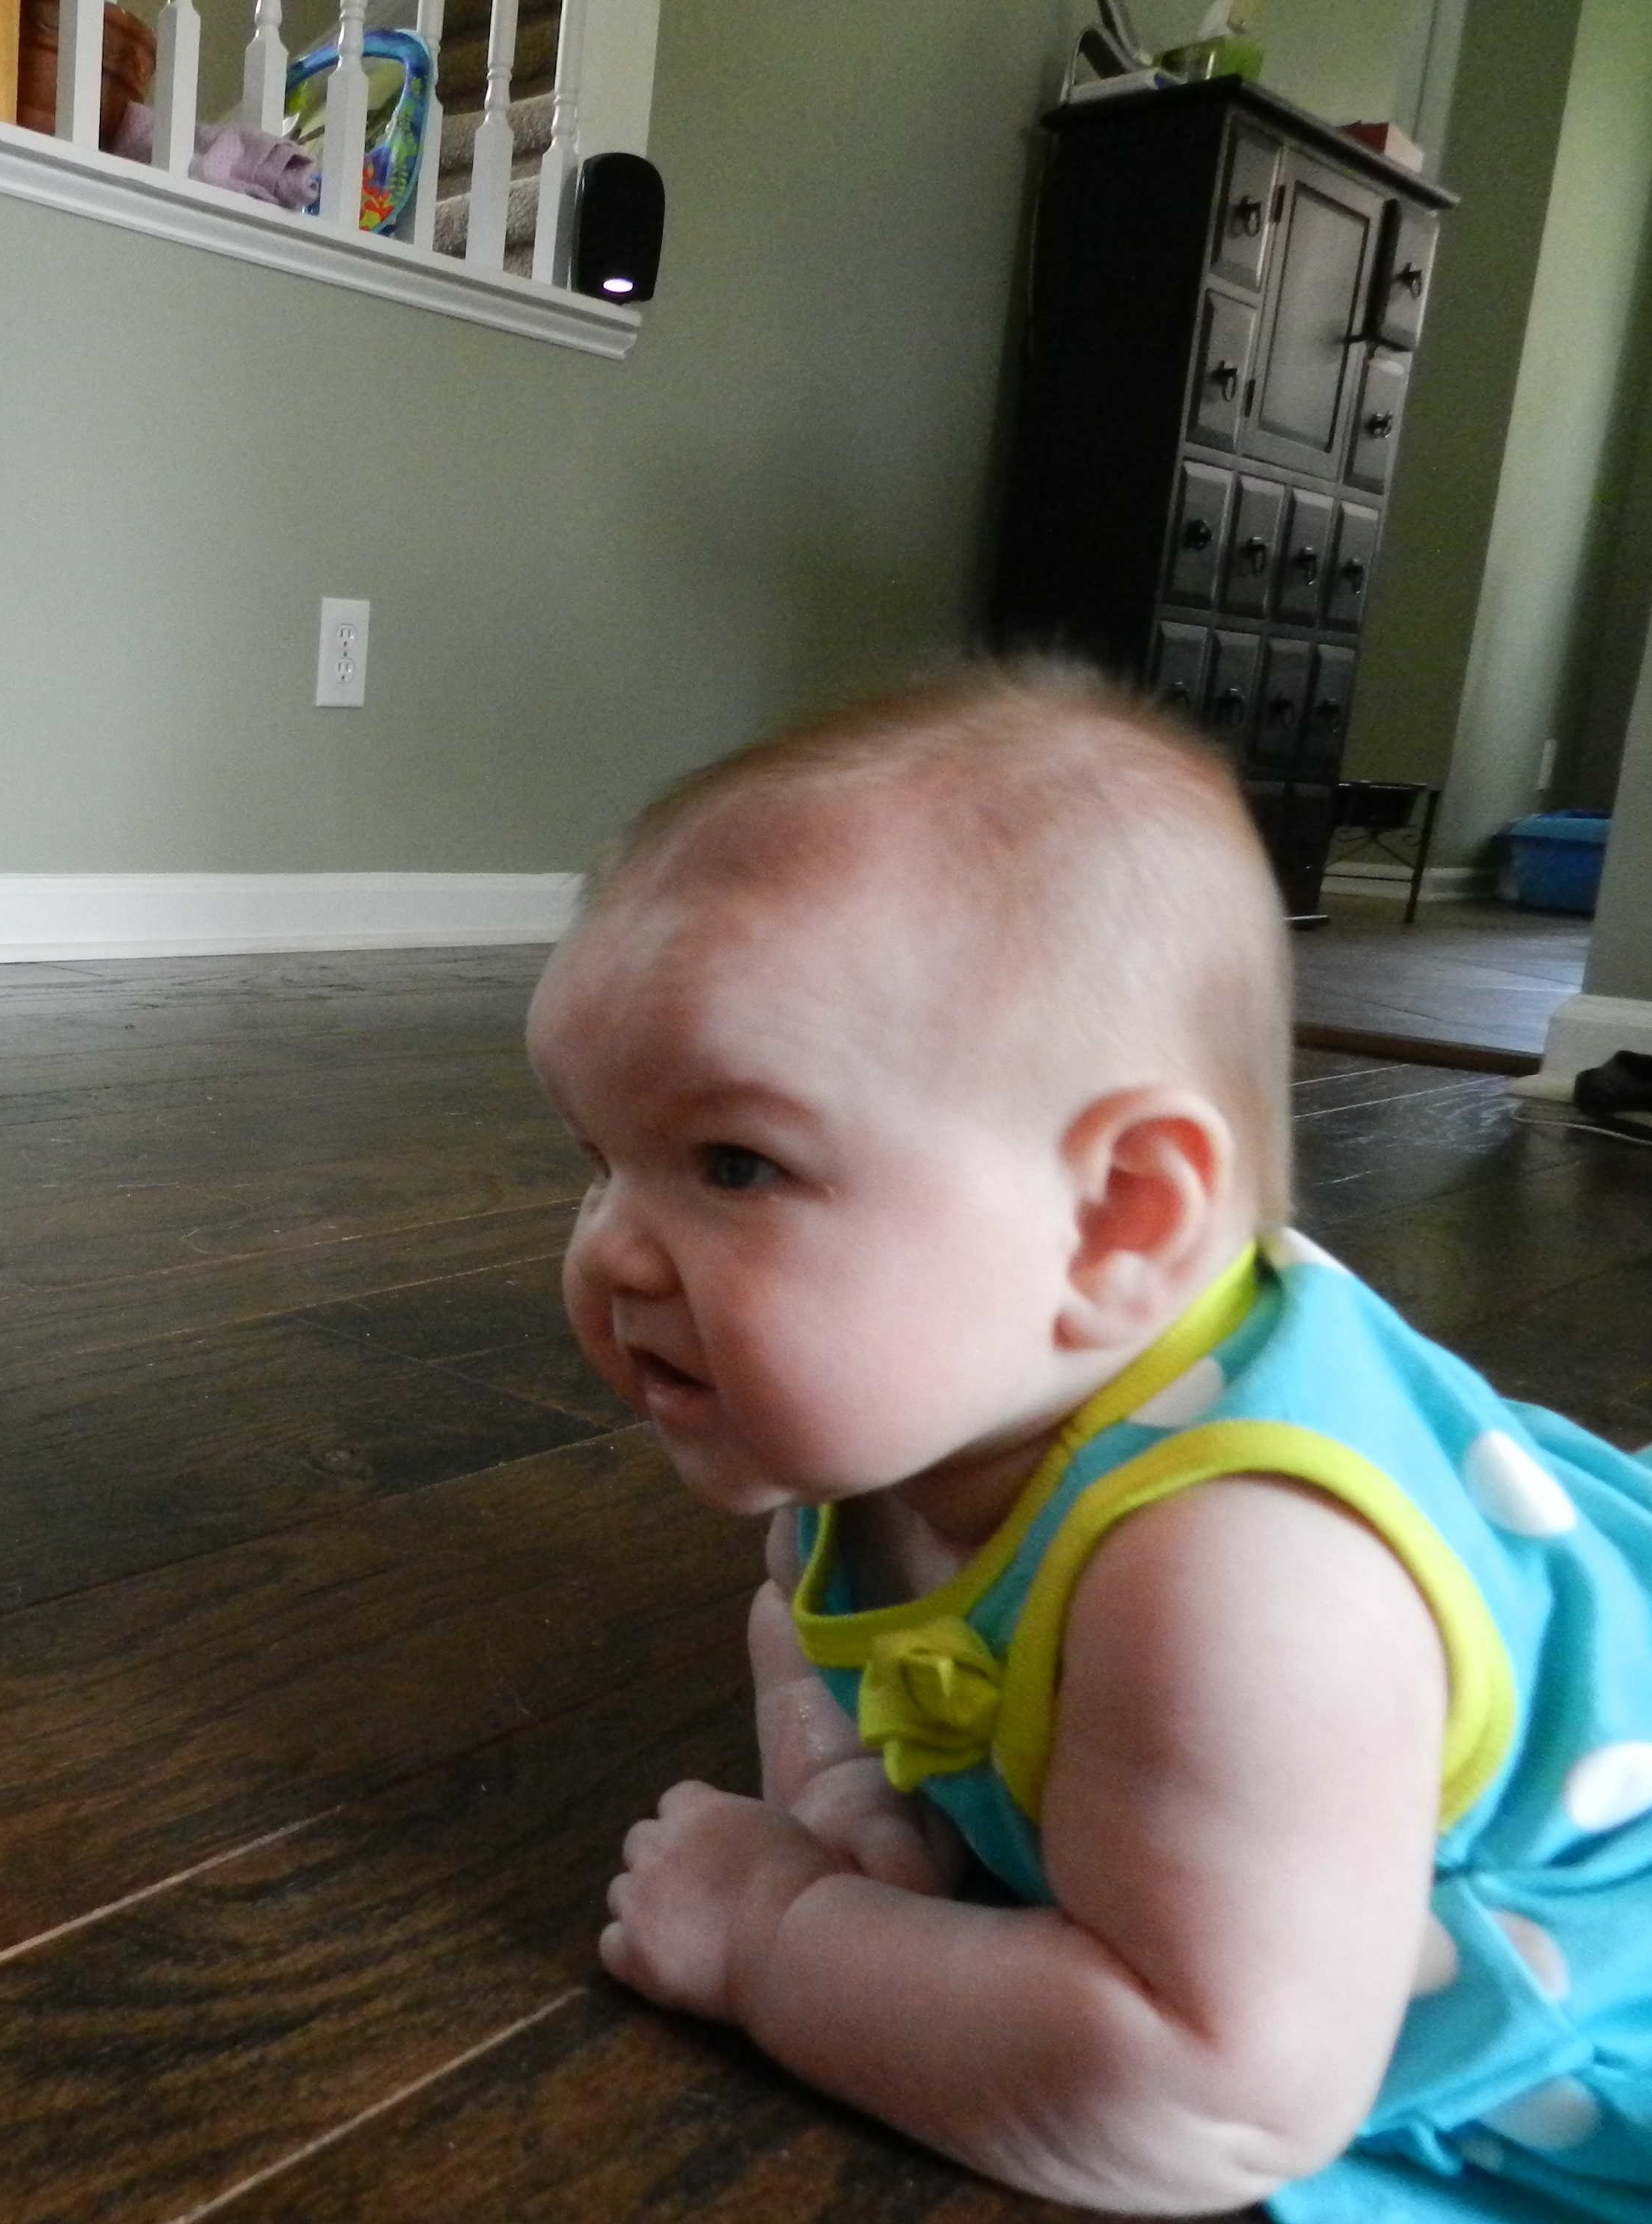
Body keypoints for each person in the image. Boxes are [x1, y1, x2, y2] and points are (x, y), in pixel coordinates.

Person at [527, 664, 1652, 2222]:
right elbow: (808, 1614)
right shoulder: (904, 1420)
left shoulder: (1246, 1590)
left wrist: (779, 1941)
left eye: (734, 1163)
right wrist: (846, 1795)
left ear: (1119, 1217)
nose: (610, 1253)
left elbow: (1205, 2096)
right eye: (597, 1159)